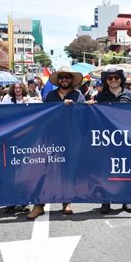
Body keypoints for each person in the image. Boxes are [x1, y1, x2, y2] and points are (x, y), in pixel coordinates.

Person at [26, 69, 85, 220]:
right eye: (62, 77)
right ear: (58, 80)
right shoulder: (50, 96)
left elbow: (84, 115)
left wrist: (81, 107)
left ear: (72, 80)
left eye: (67, 77)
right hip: (51, 139)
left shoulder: (79, 96)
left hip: (71, 139)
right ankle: (39, 205)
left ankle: (66, 202)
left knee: (68, 171)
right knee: (45, 170)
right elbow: (44, 115)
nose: (64, 79)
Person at [94, 67, 131, 214]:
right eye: (110, 78)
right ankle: (106, 201)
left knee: (126, 169)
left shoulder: (130, 95)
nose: (113, 80)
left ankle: (127, 199)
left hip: (125, 139)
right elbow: (94, 116)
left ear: (121, 80)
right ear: (106, 81)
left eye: (116, 78)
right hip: (107, 139)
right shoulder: (100, 97)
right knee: (106, 170)